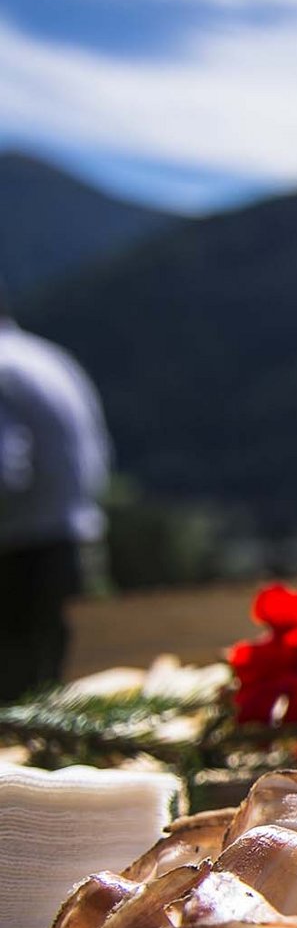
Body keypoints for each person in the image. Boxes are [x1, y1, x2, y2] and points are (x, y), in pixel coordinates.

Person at [0, 279, 111, 700]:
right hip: (76, 543)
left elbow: (5, 472)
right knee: (62, 696)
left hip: (20, 559)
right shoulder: (47, 356)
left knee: (15, 710)